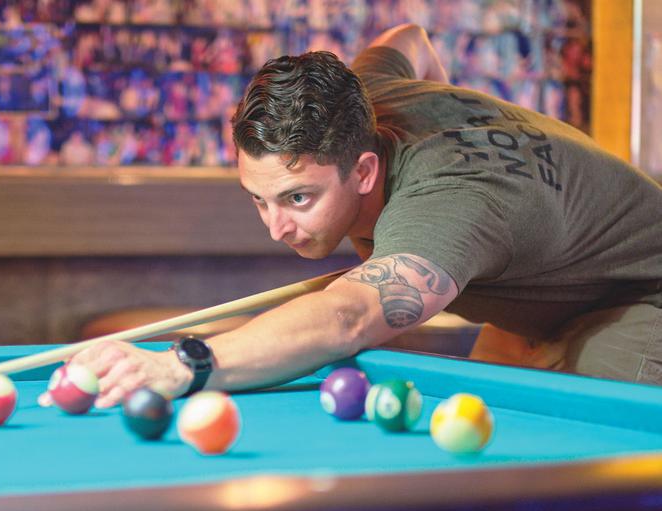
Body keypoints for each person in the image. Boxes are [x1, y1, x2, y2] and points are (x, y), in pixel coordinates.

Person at [71, 24, 662, 408]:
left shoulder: (447, 206)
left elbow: (349, 317)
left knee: (579, 477)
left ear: (364, 172)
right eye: (259, 197)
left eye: (298, 198)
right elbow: (410, 38)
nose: (275, 228)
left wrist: (183, 366)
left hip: (642, 298)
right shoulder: (365, 93)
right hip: (546, 292)